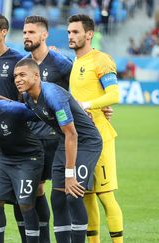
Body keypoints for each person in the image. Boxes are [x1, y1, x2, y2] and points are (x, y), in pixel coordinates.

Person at [15, 58, 103, 243]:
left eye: (22, 75)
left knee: (73, 194)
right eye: (15, 76)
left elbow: (73, 134)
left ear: (36, 75)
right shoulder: (28, 97)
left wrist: (70, 174)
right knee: (57, 197)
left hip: (86, 142)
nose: (17, 79)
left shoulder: (52, 94)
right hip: (66, 141)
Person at [67, 14, 123, 243]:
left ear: (89, 34)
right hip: (80, 140)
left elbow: (114, 94)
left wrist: (86, 105)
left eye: (76, 32)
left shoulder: (100, 60)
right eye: (69, 32)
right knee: (87, 196)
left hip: (100, 137)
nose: (71, 36)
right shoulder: (76, 62)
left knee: (105, 195)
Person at [0, 76, 44, 243]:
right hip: (7, 158)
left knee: (25, 204)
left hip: (29, 158)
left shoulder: (13, 110)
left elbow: (43, 113)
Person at [22, 15, 73, 243]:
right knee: (36, 191)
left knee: (62, 194)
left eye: (31, 32)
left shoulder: (61, 63)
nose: (26, 36)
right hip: (34, 139)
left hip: (59, 138)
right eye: (24, 32)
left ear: (44, 35)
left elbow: (79, 92)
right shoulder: (24, 65)